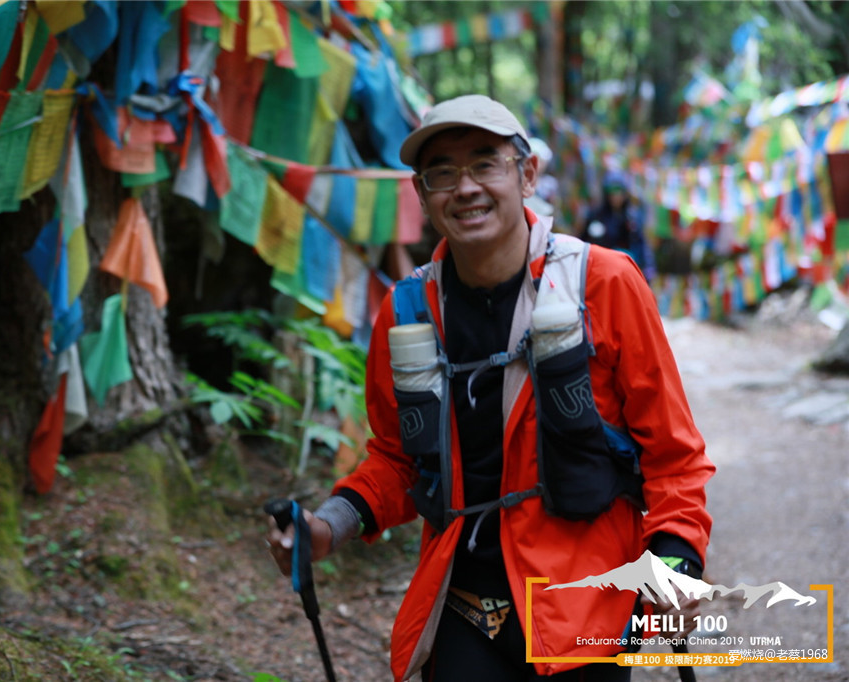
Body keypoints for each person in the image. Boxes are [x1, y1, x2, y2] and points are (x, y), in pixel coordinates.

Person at [267, 94, 714, 681]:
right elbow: (397, 459)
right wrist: (327, 527)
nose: (466, 187)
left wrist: (677, 560)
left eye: (485, 163)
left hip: (584, 608)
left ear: (526, 174)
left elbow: (674, 456)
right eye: (443, 173)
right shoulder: (406, 312)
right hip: (462, 604)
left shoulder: (603, 283)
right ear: (423, 196)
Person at [580, 170, 656, 280]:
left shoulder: (632, 216)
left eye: (619, 192)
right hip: (599, 270)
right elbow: (584, 242)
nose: (615, 196)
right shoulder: (596, 216)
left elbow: (641, 244)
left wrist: (649, 267)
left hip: (625, 271)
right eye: (611, 192)